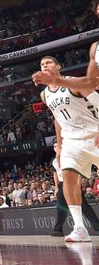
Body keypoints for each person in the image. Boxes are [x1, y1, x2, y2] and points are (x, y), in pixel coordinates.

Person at [34, 54, 99, 242]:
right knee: (69, 178)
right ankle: (80, 228)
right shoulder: (44, 94)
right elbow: (57, 117)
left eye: (48, 62)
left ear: (58, 66)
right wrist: (60, 146)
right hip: (71, 140)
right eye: (42, 64)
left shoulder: (74, 82)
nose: (44, 65)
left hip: (93, 134)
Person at [50, 145, 99, 237]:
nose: (57, 147)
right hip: (61, 184)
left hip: (73, 183)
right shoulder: (54, 160)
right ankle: (58, 229)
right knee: (61, 207)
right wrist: (56, 187)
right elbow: (55, 173)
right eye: (55, 146)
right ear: (54, 148)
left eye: (58, 145)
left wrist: (78, 184)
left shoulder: (68, 157)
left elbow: (78, 171)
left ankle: (97, 227)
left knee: (84, 206)